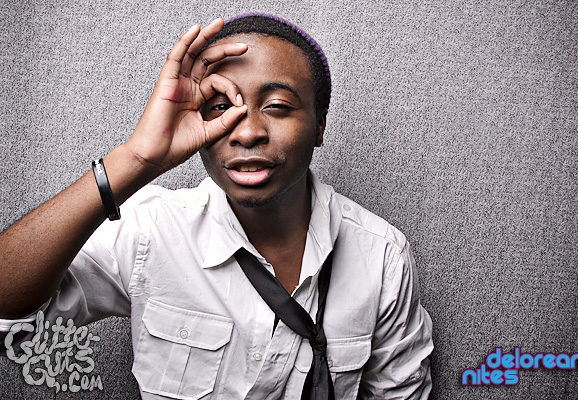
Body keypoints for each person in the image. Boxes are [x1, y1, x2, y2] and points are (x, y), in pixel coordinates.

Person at [0, 13, 433, 399]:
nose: (247, 132)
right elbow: (10, 322)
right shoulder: (151, 229)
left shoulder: (381, 256)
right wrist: (135, 160)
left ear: (319, 125)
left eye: (277, 106)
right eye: (221, 107)